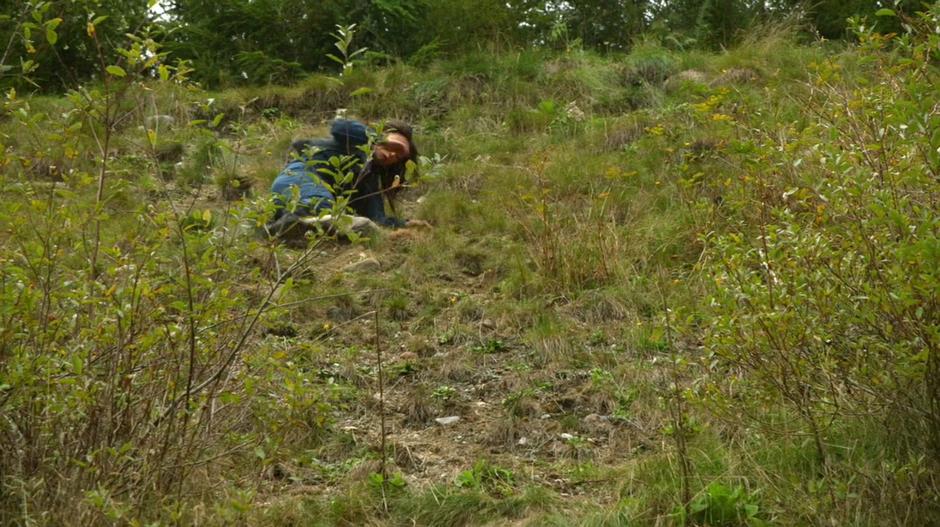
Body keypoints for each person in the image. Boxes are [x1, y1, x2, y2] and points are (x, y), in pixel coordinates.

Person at [266, 118, 420, 237]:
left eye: (399, 156)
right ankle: (289, 225)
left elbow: (377, 219)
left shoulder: (369, 179)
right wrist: (377, 140)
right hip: (299, 178)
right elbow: (339, 126)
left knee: (342, 220)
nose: (394, 155)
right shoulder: (351, 142)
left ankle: (286, 226)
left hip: (301, 197)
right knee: (321, 206)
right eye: (395, 147)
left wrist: (406, 224)